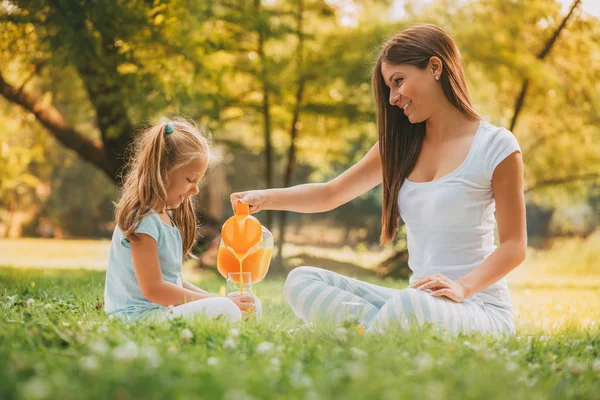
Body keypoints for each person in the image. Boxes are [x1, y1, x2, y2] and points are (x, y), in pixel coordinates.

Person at [230, 24, 526, 335]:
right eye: (389, 88)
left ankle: (353, 338)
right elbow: (331, 193)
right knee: (302, 280)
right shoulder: (397, 147)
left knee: (411, 306)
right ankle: (374, 334)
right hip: (416, 301)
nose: (394, 98)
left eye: (399, 82)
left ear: (435, 67)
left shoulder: (495, 146)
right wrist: (265, 198)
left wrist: (462, 287)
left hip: (477, 307)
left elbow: (514, 245)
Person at [105, 118, 261, 322]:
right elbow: (155, 290)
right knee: (227, 308)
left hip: (160, 312)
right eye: (189, 180)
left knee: (250, 304)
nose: (196, 190)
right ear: (162, 171)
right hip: (137, 317)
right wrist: (217, 302)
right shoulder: (142, 220)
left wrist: (216, 299)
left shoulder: (164, 219)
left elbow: (174, 282)